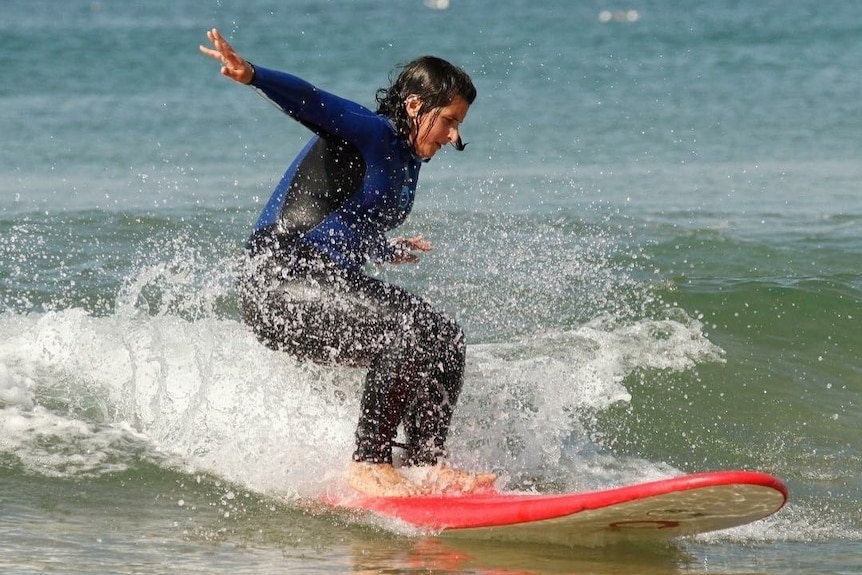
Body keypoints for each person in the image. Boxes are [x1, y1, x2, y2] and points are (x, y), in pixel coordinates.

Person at [200, 29, 496, 496]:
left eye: (459, 124)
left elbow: (346, 222)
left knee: (445, 339)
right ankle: (369, 465)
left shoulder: (408, 158)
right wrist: (253, 75)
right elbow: (311, 100)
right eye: (449, 121)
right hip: (277, 281)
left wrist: (385, 249)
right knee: (412, 330)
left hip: (321, 280)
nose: (454, 135)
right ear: (416, 106)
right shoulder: (371, 130)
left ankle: (425, 465)